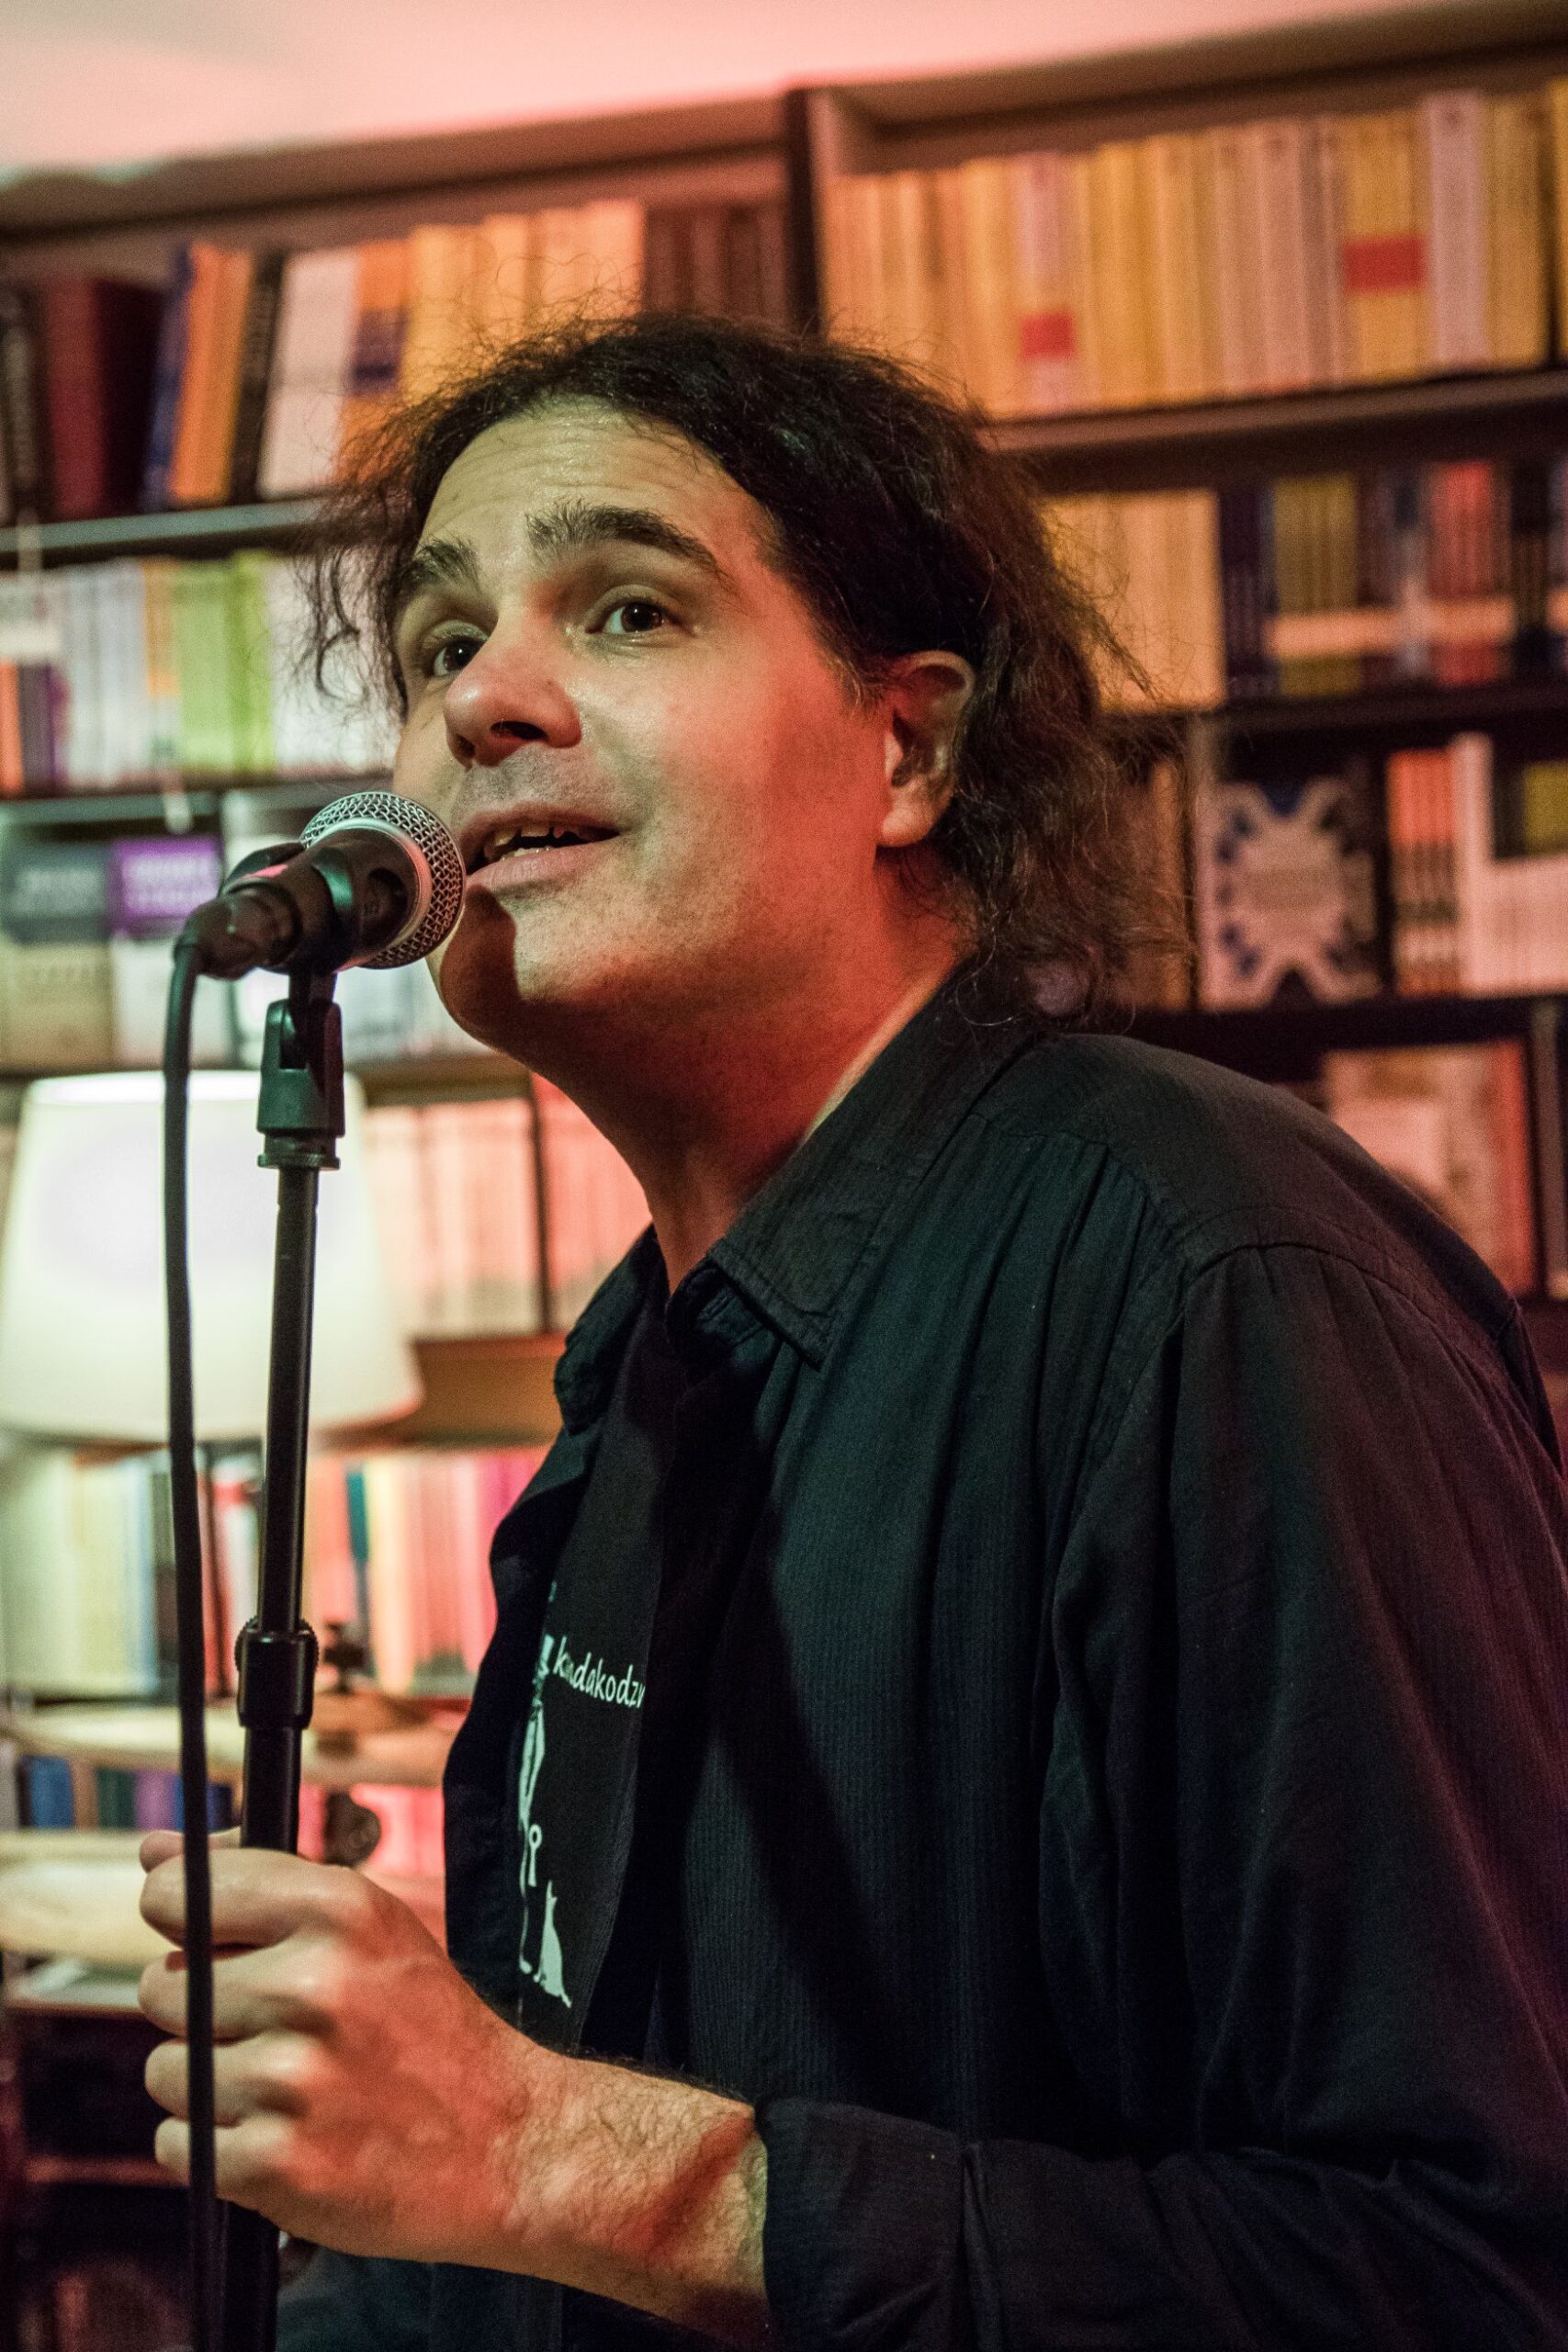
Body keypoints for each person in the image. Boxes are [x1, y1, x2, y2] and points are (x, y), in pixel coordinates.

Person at [138, 316, 1568, 2352]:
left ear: (908, 752)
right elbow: (525, 2162)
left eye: (625, 608)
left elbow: (1461, 2272)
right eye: (443, 642)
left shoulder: (1216, 1274)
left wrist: (565, 2159)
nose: (481, 699)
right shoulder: (646, 1362)